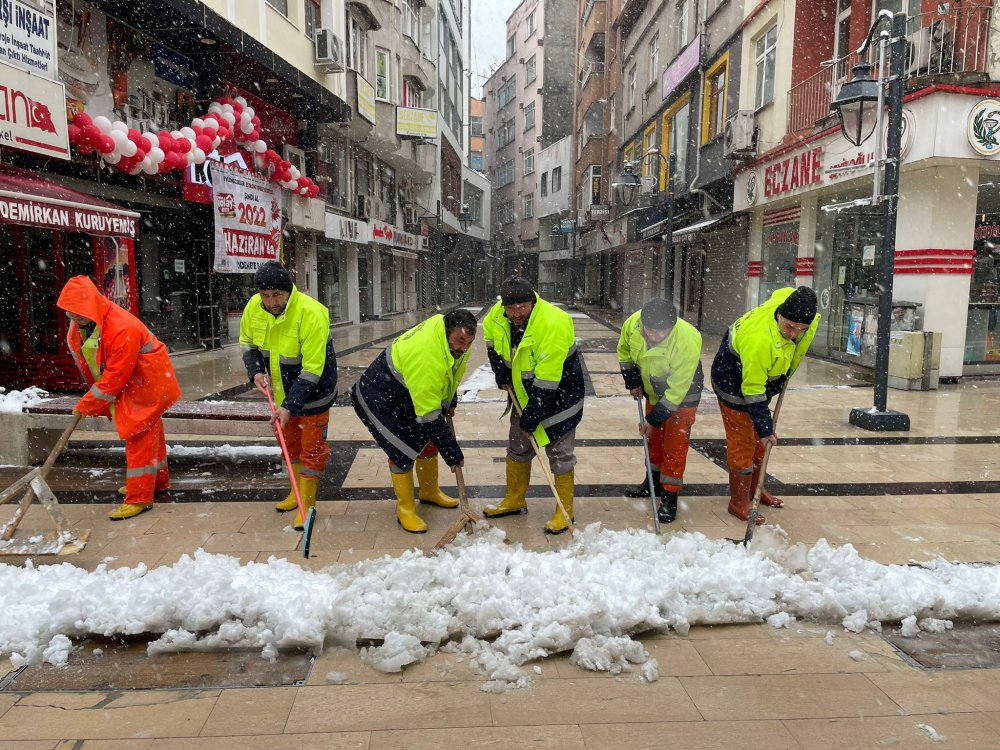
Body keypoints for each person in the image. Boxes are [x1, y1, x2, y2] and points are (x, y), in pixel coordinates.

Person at [57, 275, 181, 520]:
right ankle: (155, 482)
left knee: (138, 435)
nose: (73, 320)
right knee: (150, 433)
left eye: (77, 314)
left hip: (146, 383)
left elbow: (116, 376)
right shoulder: (87, 321)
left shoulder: (121, 327)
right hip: (139, 381)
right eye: (69, 314)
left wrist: (89, 403)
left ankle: (139, 497)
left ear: (90, 306)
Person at [351, 309, 477, 533]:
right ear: (448, 332)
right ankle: (405, 510)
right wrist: (451, 452)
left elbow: (450, 374)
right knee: (402, 448)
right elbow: (428, 413)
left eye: (468, 342)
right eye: (460, 341)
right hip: (380, 394)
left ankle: (429, 492)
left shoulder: (452, 338)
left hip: (408, 389)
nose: (464, 348)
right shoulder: (427, 355)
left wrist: (450, 400)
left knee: (427, 439)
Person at [482, 277, 584, 534]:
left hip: (560, 394)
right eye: (511, 308)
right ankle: (514, 499)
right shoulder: (496, 315)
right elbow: (491, 343)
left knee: (560, 451)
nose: (517, 313)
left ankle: (564, 510)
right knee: (518, 445)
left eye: (522, 307)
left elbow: (549, 380)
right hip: (522, 394)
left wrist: (533, 415)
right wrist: (500, 371)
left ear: (533, 301)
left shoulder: (553, 322)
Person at [240, 261, 338, 530]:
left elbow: (313, 368)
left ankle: (307, 504)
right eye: (265, 295)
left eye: (277, 295)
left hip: (314, 393)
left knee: (313, 449)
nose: (271, 302)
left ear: (289, 291)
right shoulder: (253, 307)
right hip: (281, 396)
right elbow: (247, 343)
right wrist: (256, 372)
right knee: (289, 445)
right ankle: (296, 494)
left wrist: (291, 405)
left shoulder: (311, 313)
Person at [711, 286, 819, 525]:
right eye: (789, 326)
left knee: (760, 442)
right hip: (732, 381)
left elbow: (788, 290)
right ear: (780, 314)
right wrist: (765, 428)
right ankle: (738, 501)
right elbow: (752, 390)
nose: (794, 334)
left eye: (802, 329)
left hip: (758, 379)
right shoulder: (760, 340)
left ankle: (754, 489)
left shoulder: (788, 300)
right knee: (744, 442)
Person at [617, 298, 703, 524]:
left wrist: (653, 419)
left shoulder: (687, 339)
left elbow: (676, 392)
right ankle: (651, 484)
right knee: (654, 440)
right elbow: (624, 351)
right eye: (651, 331)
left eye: (661, 332)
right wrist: (632, 380)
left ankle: (670, 497)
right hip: (653, 388)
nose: (655, 337)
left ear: (672, 327)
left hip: (683, 394)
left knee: (674, 445)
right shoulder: (633, 324)